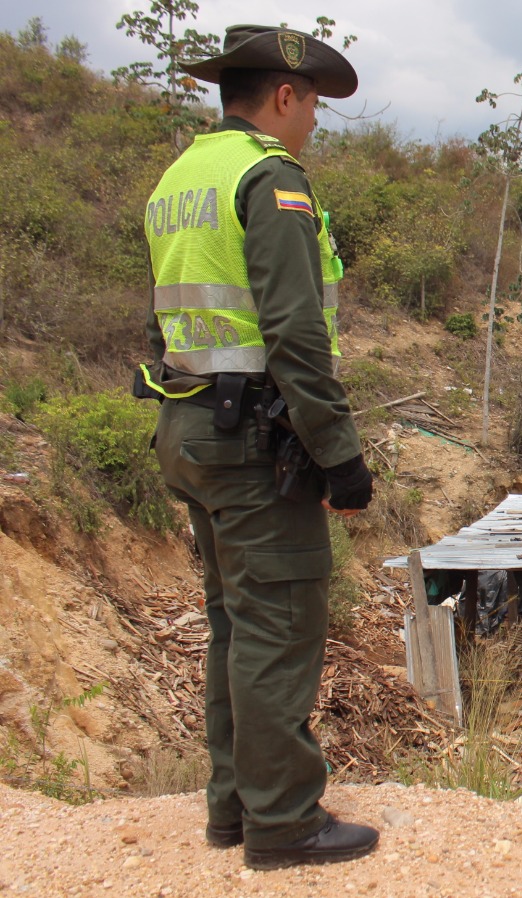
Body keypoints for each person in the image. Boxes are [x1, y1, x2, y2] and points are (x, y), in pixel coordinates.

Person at [138, 24, 378, 871]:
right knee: (277, 623)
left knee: (234, 626)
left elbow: (171, 314)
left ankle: (232, 810)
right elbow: (294, 332)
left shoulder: (180, 176)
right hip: (251, 439)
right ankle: (284, 824)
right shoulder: (269, 179)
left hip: (189, 425)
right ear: (283, 96)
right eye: (312, 104)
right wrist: (338, 455)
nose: (313, 121)